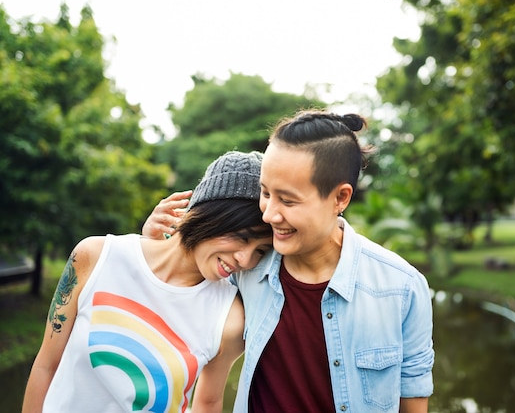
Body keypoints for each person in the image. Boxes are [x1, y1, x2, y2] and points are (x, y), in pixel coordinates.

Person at [144, 109, 435, 413]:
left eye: (288, 200)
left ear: (340, 198)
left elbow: (413, 402)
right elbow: (168, 301)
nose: (269, 214)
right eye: (266, 193)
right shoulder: (244, 269)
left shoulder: (403, 288)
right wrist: (154, 247)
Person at [22, 151, 273, 413]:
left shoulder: (229, 318)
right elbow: (46, 365)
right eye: (242, 237)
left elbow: (208, 403)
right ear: (210, 213)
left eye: (260, 251)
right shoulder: (95, 256)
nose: (245, 260)